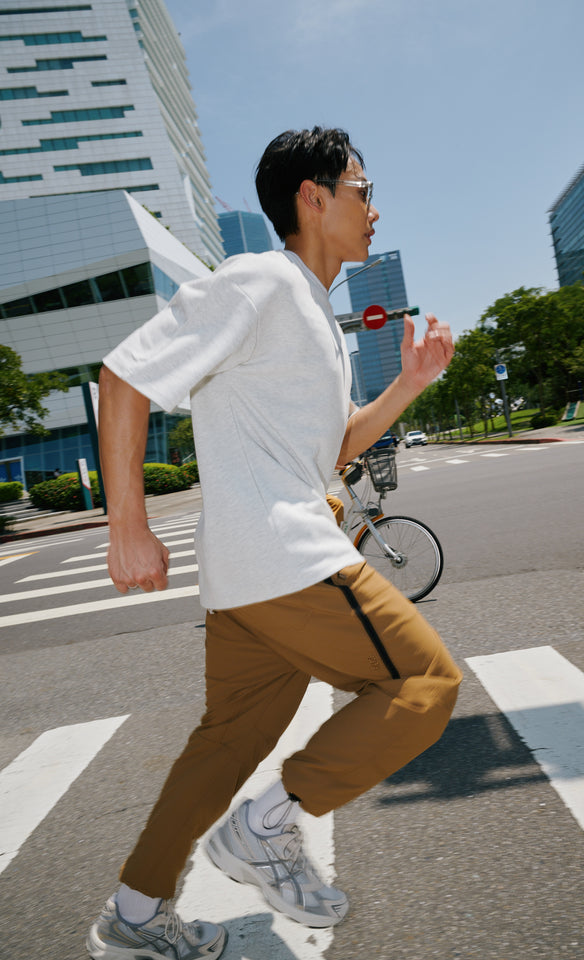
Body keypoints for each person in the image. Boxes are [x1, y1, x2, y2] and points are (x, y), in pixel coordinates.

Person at [86, 126, 462, 960]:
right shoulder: (260, 280)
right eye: (363, 189)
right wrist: (128, 524)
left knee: (221, 751)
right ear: (313, 197)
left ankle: (136, 914)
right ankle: (269, 826)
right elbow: (125, 375)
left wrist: (409, 382)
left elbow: (327, 452)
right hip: (289, 557)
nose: (375, 208)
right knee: (424, 682)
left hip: (250, 578)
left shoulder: (313, 316)